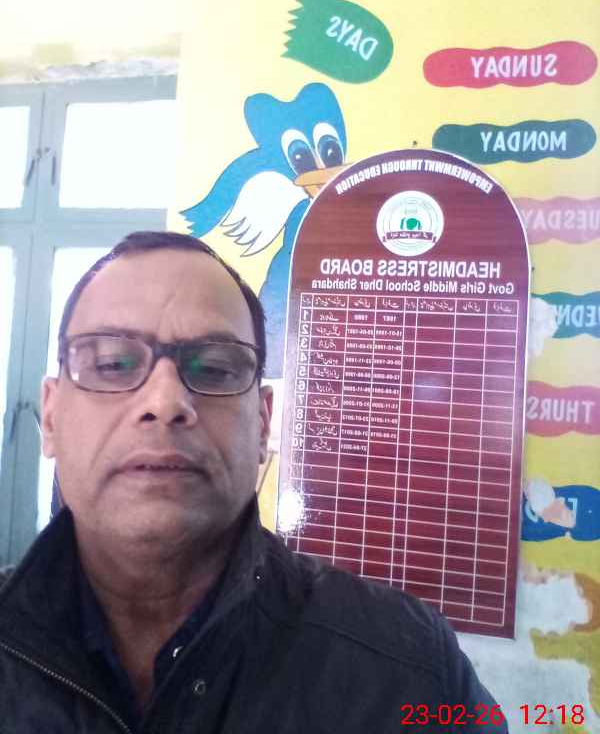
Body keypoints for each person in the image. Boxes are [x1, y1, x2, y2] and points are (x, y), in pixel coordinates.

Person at [0, 231, 507, 733]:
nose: (166, 401)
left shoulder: (413, 673)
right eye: (113, 364)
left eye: (216, 369)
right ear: (52, 415)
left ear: (263, 423)